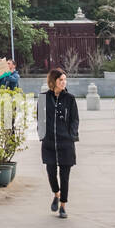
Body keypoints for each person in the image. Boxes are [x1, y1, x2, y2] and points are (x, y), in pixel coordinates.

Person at [36, 68, 79, 219]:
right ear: (53, 81)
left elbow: (74, 120)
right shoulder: (43, 98)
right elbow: (40, 119)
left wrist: (71, 136)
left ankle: (63, 206)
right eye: (61, 80)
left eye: (64, 80)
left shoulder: (70, 99)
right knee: (51, 174)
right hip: (49, 144)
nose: (63, 82)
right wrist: (42, 135)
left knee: (65, 176)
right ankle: (56, 193)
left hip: (66, 144)